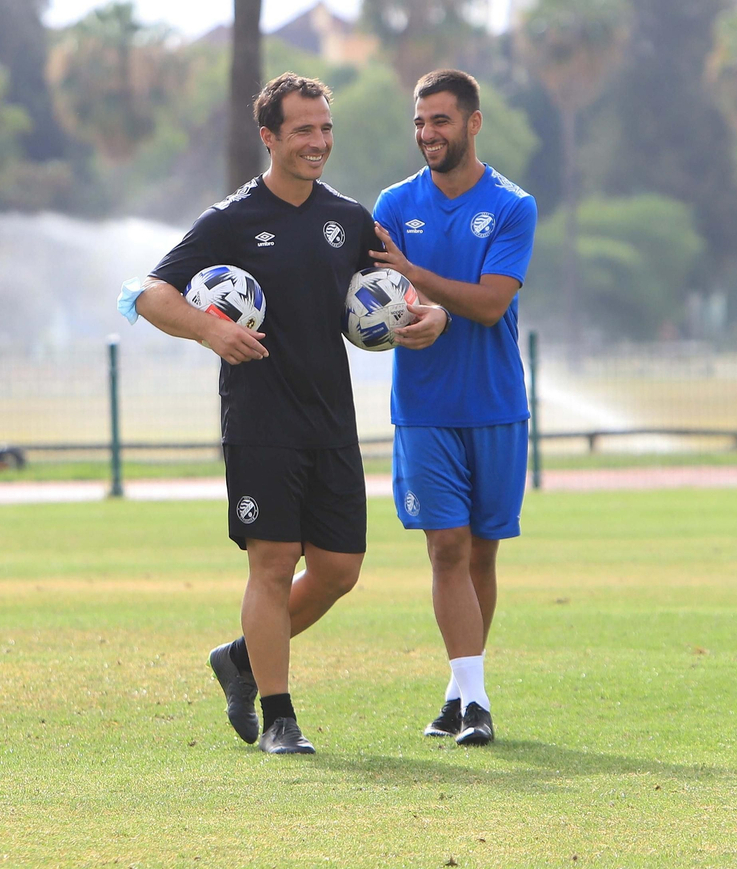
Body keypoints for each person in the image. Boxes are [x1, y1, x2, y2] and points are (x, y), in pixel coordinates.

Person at [117, 73, 448, 754]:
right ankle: (280, 719)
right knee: (271, 565)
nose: (318, 142)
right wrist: (210, 331)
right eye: (303, 130)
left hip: (331, 419)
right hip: (260, 419)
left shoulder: (350, 219)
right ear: (269, 138)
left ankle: (240, 657)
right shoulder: (232, 220)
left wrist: (431, 316)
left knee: (339, 571)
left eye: (325, 128)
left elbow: (400, 289)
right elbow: (146, 295)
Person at [367, 69, 538, 746]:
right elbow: (375, 290)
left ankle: (455, 690)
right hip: (424, 407)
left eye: (440, 120)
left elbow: (492, 302)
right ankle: (477, 704)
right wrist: (414, 308)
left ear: (472, 123)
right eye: (419, 122)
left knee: (483, 557)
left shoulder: (512, 206)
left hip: (496, 405)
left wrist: (423, 286)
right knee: (446, 548)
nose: (427, 134)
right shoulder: (392, 203)